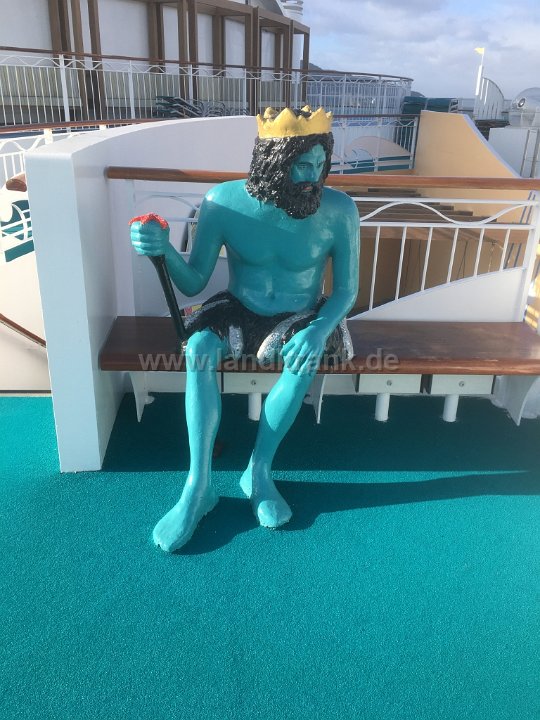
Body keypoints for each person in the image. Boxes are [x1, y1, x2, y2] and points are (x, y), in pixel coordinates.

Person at [130, 106, 360, 552]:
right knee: (198, 347)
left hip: (302, 314)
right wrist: (162, 250)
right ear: (272, 161)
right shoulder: (222, 202)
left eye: (320, 164)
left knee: (304, 358)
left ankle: (259, 471)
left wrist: (317, 331)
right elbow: (193, 282)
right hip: (238, 306)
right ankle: (198, 486)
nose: (313, 176)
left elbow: (347, 290)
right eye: (302, 165)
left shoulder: (339, 210)